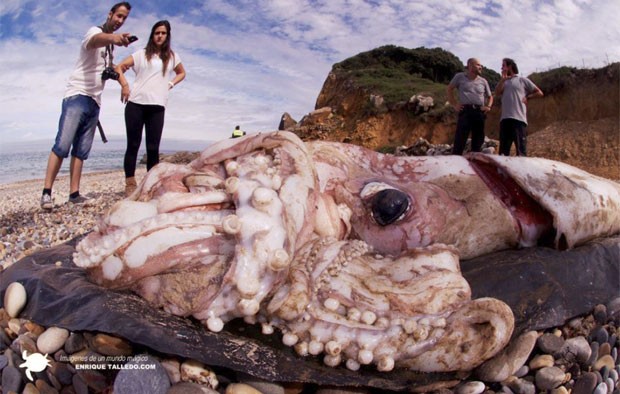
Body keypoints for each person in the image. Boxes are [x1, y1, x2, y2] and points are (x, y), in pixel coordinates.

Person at [40, 2, 134, 210]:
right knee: (62, 145)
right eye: (118, 16)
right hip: (77, 95)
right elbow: (94, 41)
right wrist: (115, 38)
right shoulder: (95, 32)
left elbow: (111, 69)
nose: (120, 21)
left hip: (95, 101)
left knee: (81, 150)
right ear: (110, 15)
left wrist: (124, 84)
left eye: (124, 18)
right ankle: (46, 193)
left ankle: (74, 194)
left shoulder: (110, 48)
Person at [114, 20, 186, 196]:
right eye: (157, 33)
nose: (160, 36)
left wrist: (170, 83)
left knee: (153, 147)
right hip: (136, 104)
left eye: (163, 33)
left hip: (157, 106)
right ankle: (130, 183)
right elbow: (119, 67)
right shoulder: (141, 54)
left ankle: (151, 184)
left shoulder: (172, 56)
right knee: (133, 144)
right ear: (152, 35)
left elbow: (182, 73)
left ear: (167, 36)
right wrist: (124, 85)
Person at [495, 58, 544, 156]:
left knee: (521, 152)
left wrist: (528, 97)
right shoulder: (504, 82)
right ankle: (501, 171)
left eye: (503, 65)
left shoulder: (522, 80)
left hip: (519, 121)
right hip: (505, 120)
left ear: (510, 67)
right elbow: (497, 93)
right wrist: (502, 80)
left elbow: (540, 93)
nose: (501, 68)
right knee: (503, 153)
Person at [447, 58, 494, 155]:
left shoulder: (483, 81)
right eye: (478, 65)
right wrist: (455, 104)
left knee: (478, 140)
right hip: (465, 111)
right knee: (460, 139)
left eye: (481, 65)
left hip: (479, 112)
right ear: (470, 65)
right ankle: (456, 163)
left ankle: (474, 163)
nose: (481, 67)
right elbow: (449, 89)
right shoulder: (459, 76)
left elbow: (490, 97)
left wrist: (488, 106)